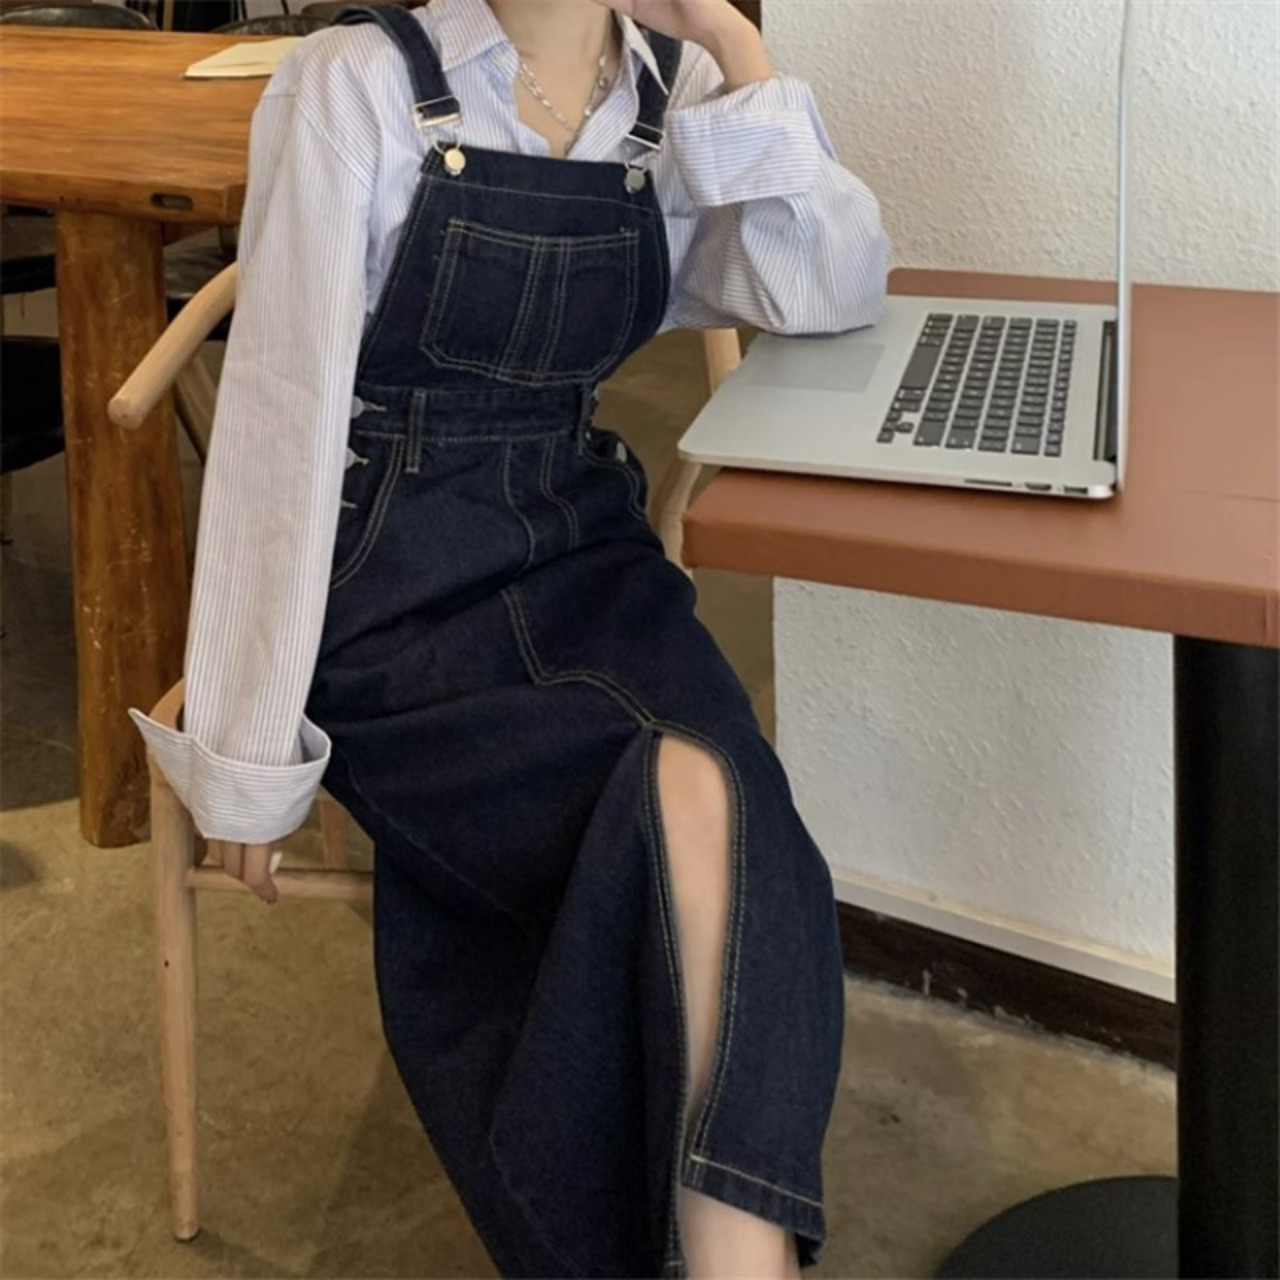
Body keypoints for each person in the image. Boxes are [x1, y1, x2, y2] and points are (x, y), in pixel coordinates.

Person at [133, 0, 889, 1274]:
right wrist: (247, 753)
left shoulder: (670, 90)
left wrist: (737, 47)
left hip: (580, 542)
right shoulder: (355, 80)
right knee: (700, 808)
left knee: (716, 800)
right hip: (393, 573)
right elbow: (280, 418)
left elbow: (823, 290)